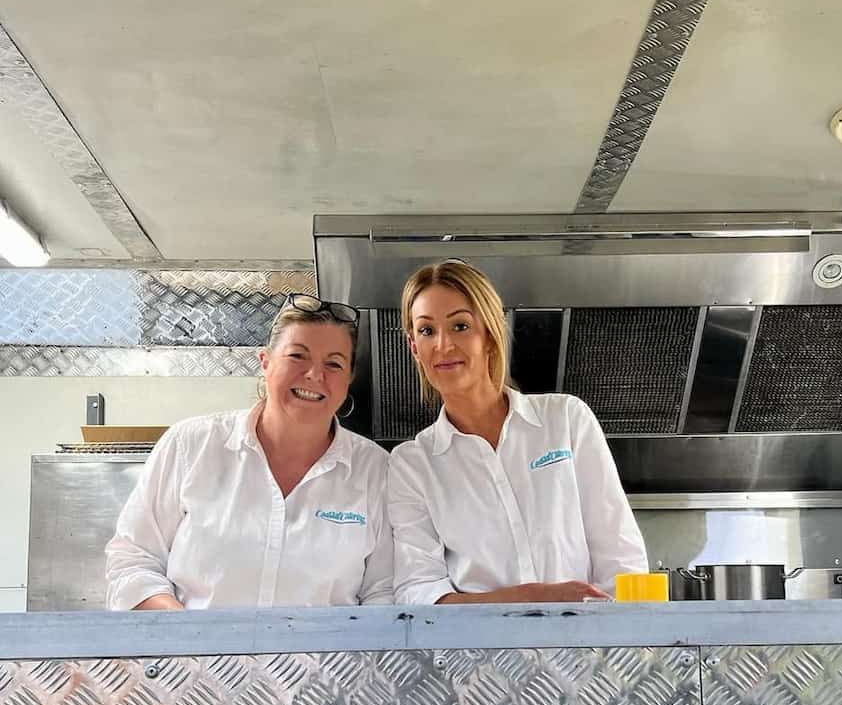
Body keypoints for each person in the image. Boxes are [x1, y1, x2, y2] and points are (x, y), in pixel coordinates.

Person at [106, 296, 392, 610]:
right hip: (197, 656)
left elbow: (384, 591)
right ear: (265, 362)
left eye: (334, 364)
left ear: (349, 378)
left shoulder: (376, 470)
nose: (314, 375)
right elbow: (133, 561)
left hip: (332, 660)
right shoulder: (191, 445)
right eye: (298, 356)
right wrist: (189, 636)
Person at [388, 260, 647, 605]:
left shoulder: (566, 420)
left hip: (584, 649)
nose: (443, 344)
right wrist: (529, 599)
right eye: (426, 331)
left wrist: (621, 647)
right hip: (475, 656)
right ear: (413, 348)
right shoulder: (412, 464)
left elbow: (620, 554)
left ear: (491, 334)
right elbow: (417, 591)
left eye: (460, 326)